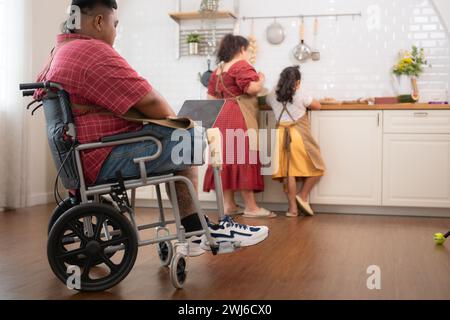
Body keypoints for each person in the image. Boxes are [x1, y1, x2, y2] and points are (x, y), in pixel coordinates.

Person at [35, 0, 269, 256]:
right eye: (115, 24)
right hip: (100, 157)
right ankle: (200, 230)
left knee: (180, 141)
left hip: (83, 156)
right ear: (99, 22)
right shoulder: (93, 52)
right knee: (187, 138)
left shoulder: (60, 51)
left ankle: (193, 229)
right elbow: (152, 102)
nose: (115, 32)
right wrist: (178, 125)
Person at [204, 34, 276, 219]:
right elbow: (252, 89)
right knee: (244, 158)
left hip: (220, 118)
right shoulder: (241, 65)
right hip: (238, 116)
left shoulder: (217, 71)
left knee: (225, 160)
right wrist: (261, 78)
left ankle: (229, 205)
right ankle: (251, 207)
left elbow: (210, 100)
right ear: (241, 49)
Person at [267, 66, 326, 217]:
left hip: (281, 135)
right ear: (298, 82)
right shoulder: (301, 93)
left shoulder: (272, 94)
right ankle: (303, 195)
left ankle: (292, 209)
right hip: (298, 136)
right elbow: (317, 106)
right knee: (318, 167)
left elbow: (269, 102)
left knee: (289, 172)